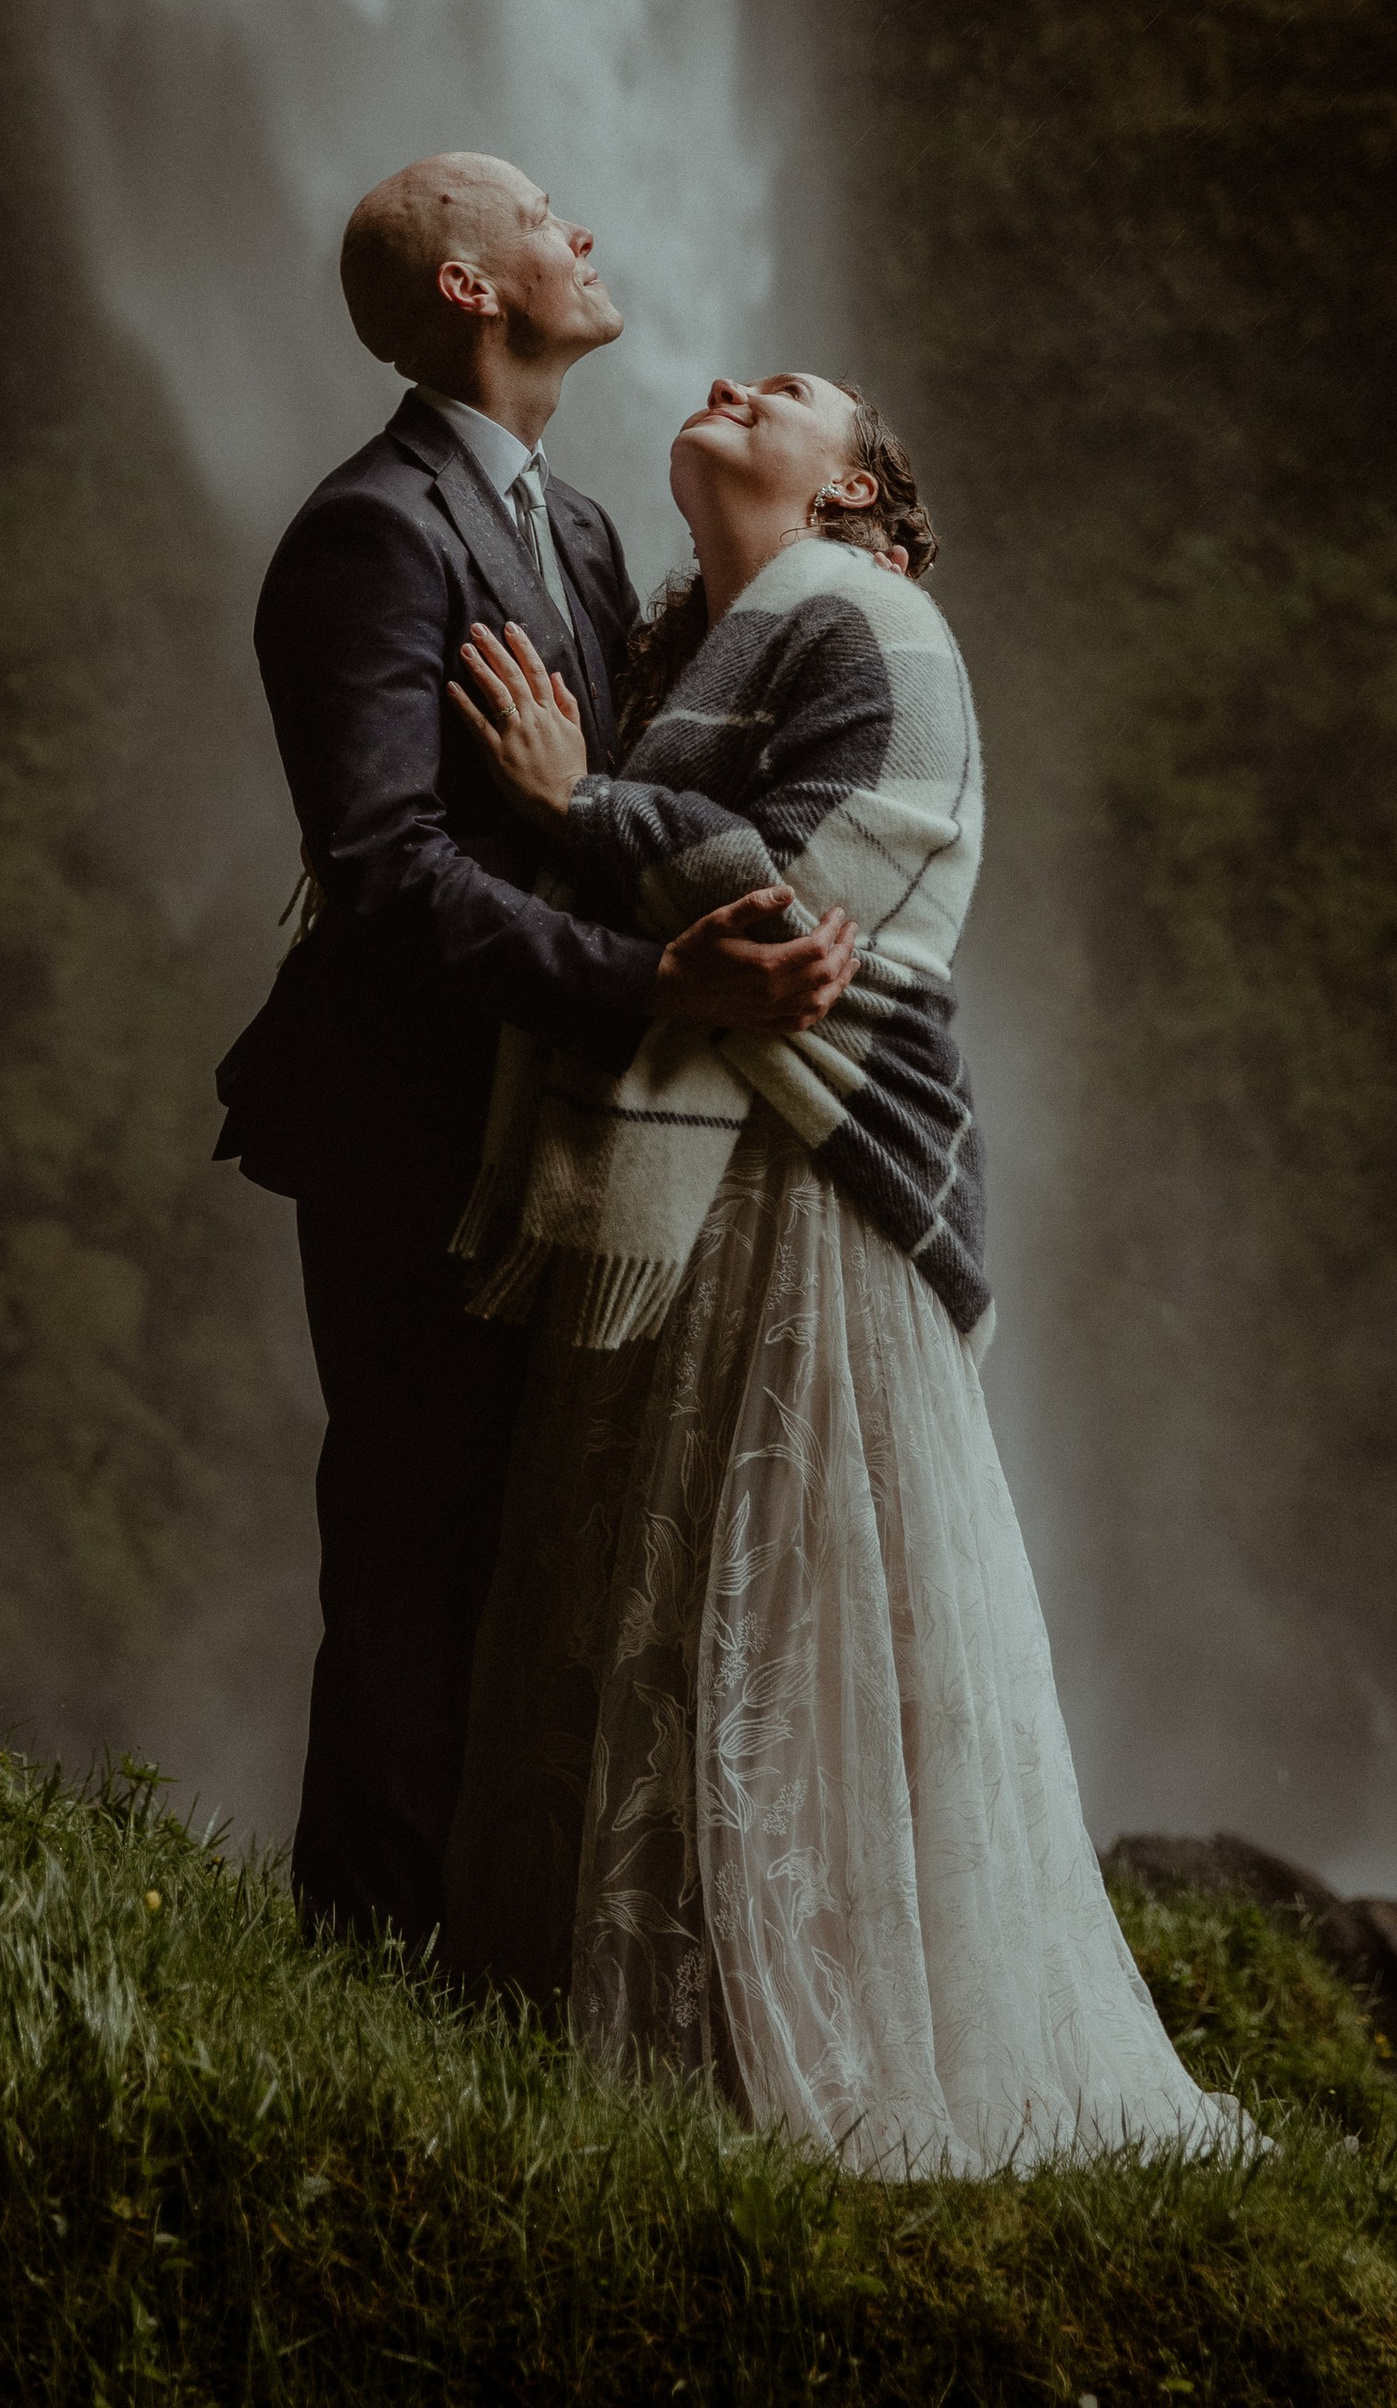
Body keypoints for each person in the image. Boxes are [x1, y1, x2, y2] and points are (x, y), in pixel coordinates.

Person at [441, 369, 1243, 2169]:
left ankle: (761, 2050)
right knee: (702, 1597)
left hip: (797, 1185)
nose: (732, 382)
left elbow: (794, 931)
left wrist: (581, 808)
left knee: (762, 1595)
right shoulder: (697, 656)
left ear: (864, 488)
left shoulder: (874, 620)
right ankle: (650, 2030)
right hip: (705, 1184)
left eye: (787, 391)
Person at [215, 162, 857, 1955]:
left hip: (551, 1131)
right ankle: (359, 1967)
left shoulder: (569, 529)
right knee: (412, 1544)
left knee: (512, 1547)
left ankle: (490, 1951)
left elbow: (594, 810)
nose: (586, 231)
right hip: (413, 1121)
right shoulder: (375, 532)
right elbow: (384, 873)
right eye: (547, 216)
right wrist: (656, 981)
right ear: (469, 285)